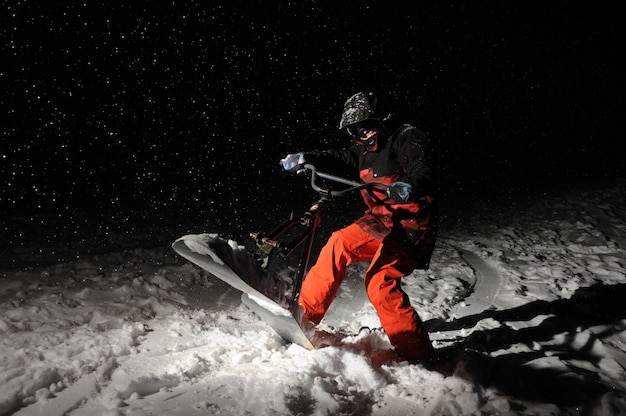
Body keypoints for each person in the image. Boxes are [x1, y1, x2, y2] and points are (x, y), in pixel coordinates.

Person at [280, 91, 438, 361]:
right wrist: (306, 157)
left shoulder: (405, 137)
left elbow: (425, 166)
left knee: (379, 281)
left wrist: (411, 186)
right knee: (339, 242)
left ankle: (417, 353)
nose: (360, 135)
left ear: (382, 120)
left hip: (409, 226)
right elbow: (339, 157)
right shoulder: (363, 150)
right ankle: (304, 318)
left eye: (365, 127)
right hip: (380, 221)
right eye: (353, 130)